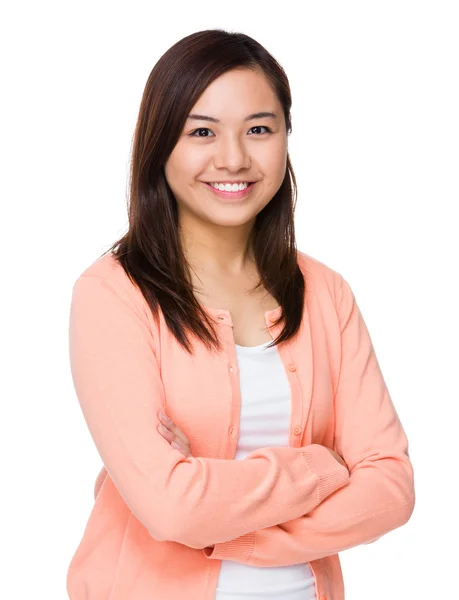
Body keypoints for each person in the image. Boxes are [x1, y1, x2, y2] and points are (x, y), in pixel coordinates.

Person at [66, 28, 415, 600]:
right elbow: (171, 509)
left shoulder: (326, 293)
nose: (233, 158)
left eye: (258, 129)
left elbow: (392, 488)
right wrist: (323, 467)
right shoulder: (112, 294)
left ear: (285, 138)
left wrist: (230, 525)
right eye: (201, 132)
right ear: (160, 145)